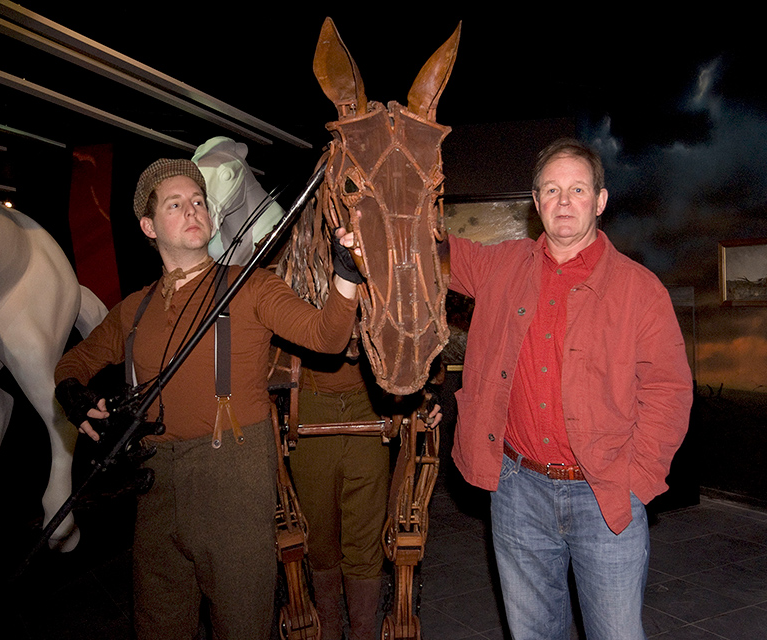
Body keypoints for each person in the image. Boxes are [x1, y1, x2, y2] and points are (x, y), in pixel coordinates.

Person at [54, 158, 359, 640]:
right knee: (158, 623)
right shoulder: (135, 308)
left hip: (232, 479)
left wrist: (347, 276)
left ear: (212, 219)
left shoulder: (251, 286)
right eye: (176, 204)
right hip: (151, 482)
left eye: (199, 202)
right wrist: (71, 391)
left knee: (242, 622)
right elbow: (75, 361)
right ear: (149, 227)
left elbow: (326, 336)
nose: (192, 210)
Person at [443, 138, 693, 639]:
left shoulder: (640, 290)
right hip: (518, 491)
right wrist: (363, 232)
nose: (563, 201)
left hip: (603, 494)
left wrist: (636, 479)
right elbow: (423, 255)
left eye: (577, 189)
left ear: (600, 201)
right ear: (535, 203)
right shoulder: (501, 266)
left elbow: (668, 390)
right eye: (551, 190)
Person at [287, 352, 389, 640]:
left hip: (369, 400)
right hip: (308, 400)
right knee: (318, 532)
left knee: (366, 532)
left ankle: (362, 631)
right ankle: (328, 626)